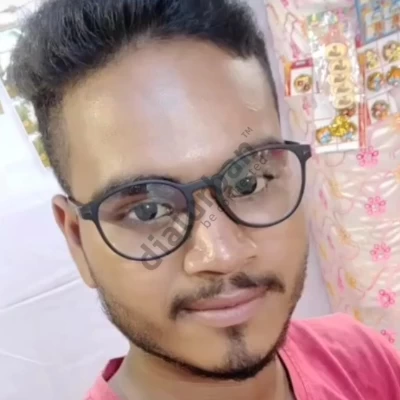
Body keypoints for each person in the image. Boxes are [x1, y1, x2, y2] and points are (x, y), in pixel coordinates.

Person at [9, 0, 400, 399]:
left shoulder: (363, 360)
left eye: (248, 183)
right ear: (77, 239)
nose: (223, 254)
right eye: (148, 210)